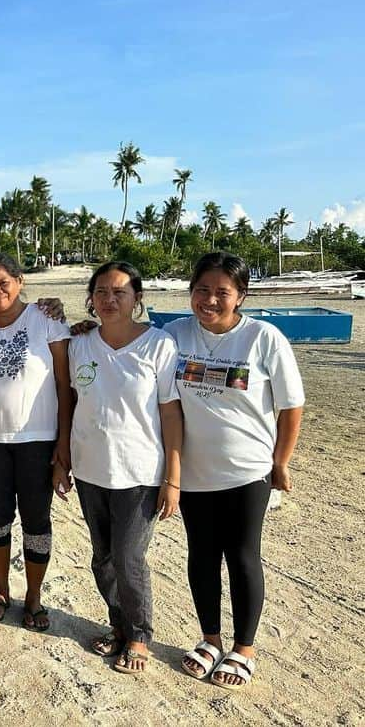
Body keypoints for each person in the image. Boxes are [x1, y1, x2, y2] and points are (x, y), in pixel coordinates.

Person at [169, 252, 304, 690]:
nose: (209, 300)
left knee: (242, 555)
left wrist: (280, 462)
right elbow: (128, 342)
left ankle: (243, 648)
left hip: (248, 471)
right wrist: (78, 327)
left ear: (240, 296)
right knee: (201, 556)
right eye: (202, 290)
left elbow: (291, 405)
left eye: (221, 292)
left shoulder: (263, 338)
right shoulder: (174, 335)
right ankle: (210, 639)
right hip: (193, 471)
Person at [56, 261, 183, 674]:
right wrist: (63, 461)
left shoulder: (159, 345)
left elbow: (170, 414)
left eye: (120, 293)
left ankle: (140, 636)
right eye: (102, 292)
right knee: (103, 558)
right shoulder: (80, 345)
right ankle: (119, 624)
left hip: (141, 471)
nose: (110, 300)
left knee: (129, 558)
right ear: (91, 298)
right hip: (91, 467)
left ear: (137, 299)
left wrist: (173, 478)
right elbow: (70, 403)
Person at [0, 253, 72, 630]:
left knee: (37, 521)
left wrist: (62, 445)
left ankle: (34, 595)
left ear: (19, 281)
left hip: (38, 441)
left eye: (3, 282)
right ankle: (1, 589)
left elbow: (63, 384)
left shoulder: (47, 320)